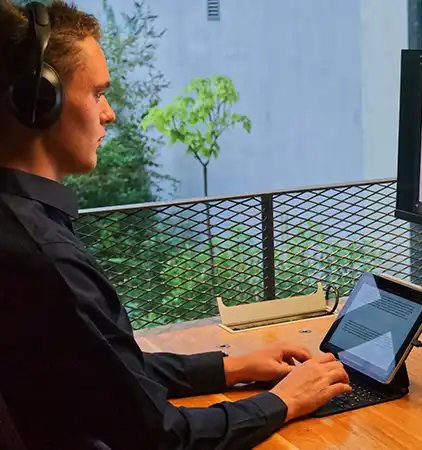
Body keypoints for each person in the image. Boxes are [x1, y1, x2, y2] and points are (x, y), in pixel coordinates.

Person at [0, 1, 351, 449]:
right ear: (40, 101)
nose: (109, 113)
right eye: (97, 93)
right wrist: (283, 401)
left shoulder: (20, 223)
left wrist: (231, 367)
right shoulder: (46, 257)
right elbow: (160, 436)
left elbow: (109, 372)